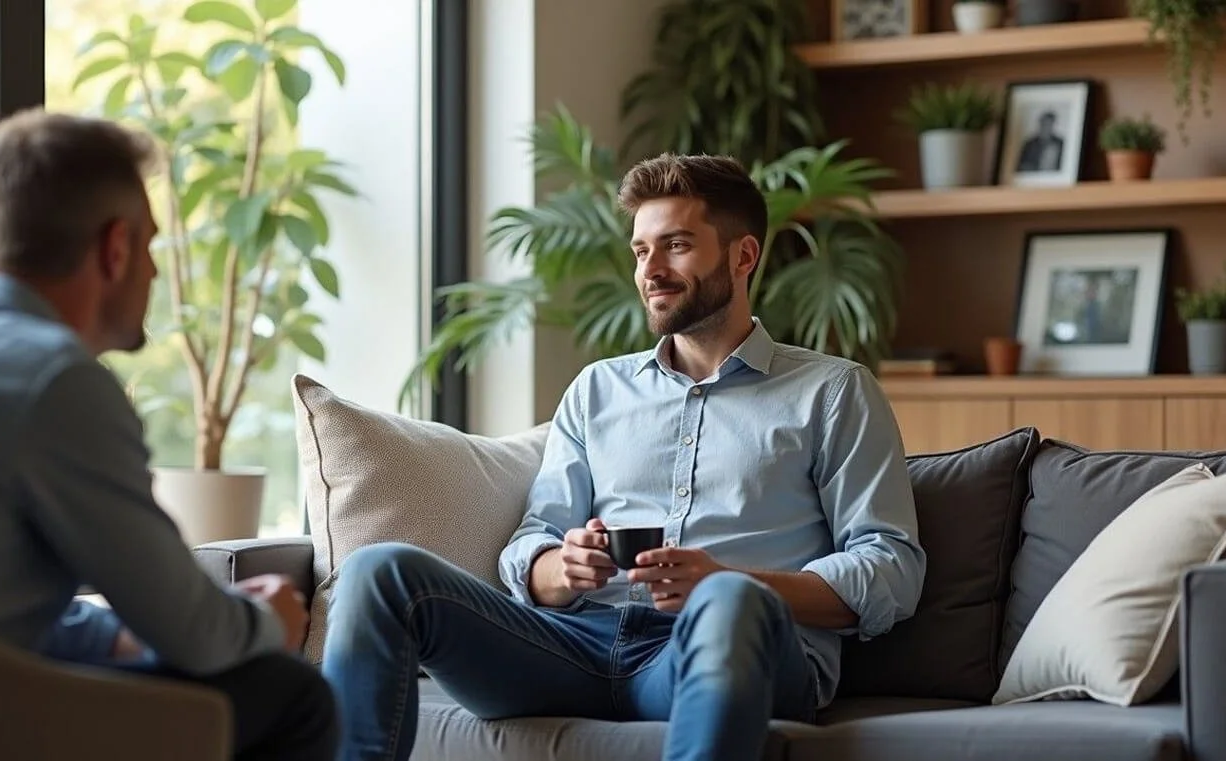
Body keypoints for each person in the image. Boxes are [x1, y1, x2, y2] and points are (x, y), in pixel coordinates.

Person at [321, 153, 926, 761]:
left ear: (743, 257)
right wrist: (561, 567)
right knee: (380, 571)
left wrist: (729, 581)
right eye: (641, 251)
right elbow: (534, 538)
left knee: (729, 602)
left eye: (677, 245)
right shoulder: (596, 390)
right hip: (575, 646)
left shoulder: (833, 391)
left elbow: (891, 565)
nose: (651, 270)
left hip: (722, 649)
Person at [0, 108, 336, 761]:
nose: (152, 271)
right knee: (290, 692)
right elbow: (198, 635)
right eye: (148, 246)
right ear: (115, 247)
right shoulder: (52, 379)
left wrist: (114, 633)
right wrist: (270, 619)